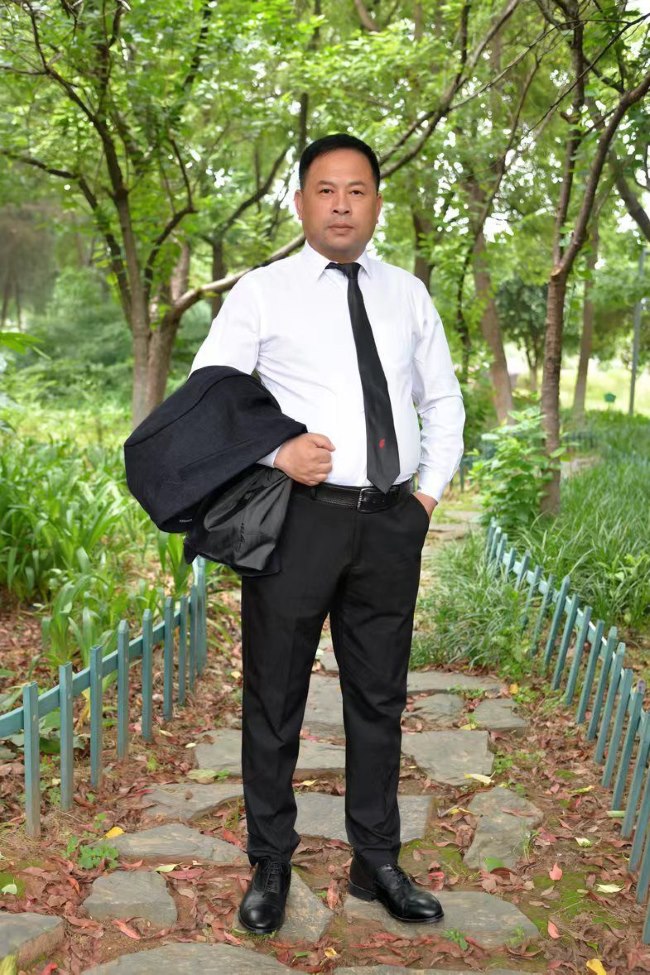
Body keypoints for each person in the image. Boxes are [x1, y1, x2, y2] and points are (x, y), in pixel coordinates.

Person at [190, 133, 465, 935]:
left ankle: (376, 859)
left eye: (357, 190)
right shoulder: (263, 293)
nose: (341, 204)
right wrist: (277, 450)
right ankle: (270, 860)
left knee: (379, 697)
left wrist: (426, 497)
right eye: (325, 189)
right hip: (298, 520)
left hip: (390, 521)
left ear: (376, 203)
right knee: (274, 695)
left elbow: (442, 400)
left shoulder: (407, 294)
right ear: (301, 201)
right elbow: (212, 394)